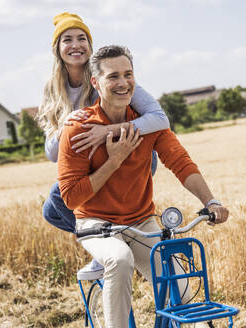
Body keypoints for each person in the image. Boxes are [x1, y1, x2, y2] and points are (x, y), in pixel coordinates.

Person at [58, 45, 229, 328]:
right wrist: (113, 162)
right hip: (95, 224)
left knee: (182, 288)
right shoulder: (79, 129)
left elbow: (181, 163)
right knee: (119, 259)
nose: (123, 83)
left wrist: (211, 201)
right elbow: (72, 198)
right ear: (95, 82)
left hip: (140, 220)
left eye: (128, 74)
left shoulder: (147, 125)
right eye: (113, 76)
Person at [38, 12, 168, 234]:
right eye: (67, 39)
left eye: (82, 38)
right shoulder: (54, 89)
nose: (76, 44)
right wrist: (66, 127)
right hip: (92, 163)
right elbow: (52, 154)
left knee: (56, 199)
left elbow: (160, 119)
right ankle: (110, 240)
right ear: (57, 49)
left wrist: (107, 130)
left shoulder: (109, 75)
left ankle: (109, 244)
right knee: (52, 208)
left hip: (130, 155)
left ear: (90, 45)